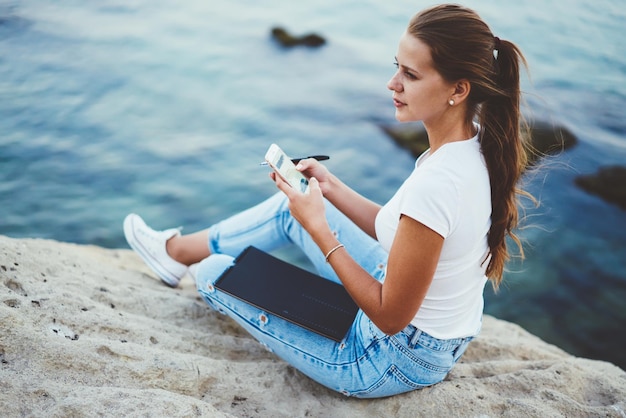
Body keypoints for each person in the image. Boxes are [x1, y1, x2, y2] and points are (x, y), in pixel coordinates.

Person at [123, 4, 528, 398]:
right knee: (294, 206)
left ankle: (187, 259)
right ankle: (175, 253)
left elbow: (389, 318)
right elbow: (402, 228)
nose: (393, 84)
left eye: (411, 74)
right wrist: (332, 188)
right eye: (396, 66)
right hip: (431, 333)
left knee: (213, 274)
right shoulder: (474, 143)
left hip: (389, 357)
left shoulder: (440, 182)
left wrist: (319, 226)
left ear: (458, 89)